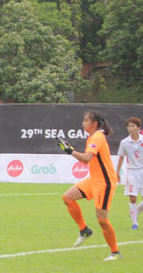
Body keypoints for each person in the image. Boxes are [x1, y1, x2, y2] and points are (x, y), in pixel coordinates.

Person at [57, 110, 121, 261]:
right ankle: (84, 230)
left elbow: (86, 157)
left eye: (86, 120)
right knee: (68, 198)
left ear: (94, 124)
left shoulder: (98, 137)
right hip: (94, 179)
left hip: (104, 182)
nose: (83, 123)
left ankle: (115, 252)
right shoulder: (93, 137)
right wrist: (70, 151)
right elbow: (86, 161)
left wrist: (70, 151)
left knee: (102, 219)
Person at [115, 117, 143, 230]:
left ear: (138, 128)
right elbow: (121, 158)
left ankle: (135, 211)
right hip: (132, 172)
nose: (130, 129)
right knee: (132, 198)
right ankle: (135, 223)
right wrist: (117, 172)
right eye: (129, 126)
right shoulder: (124, 142)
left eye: (133, 126)